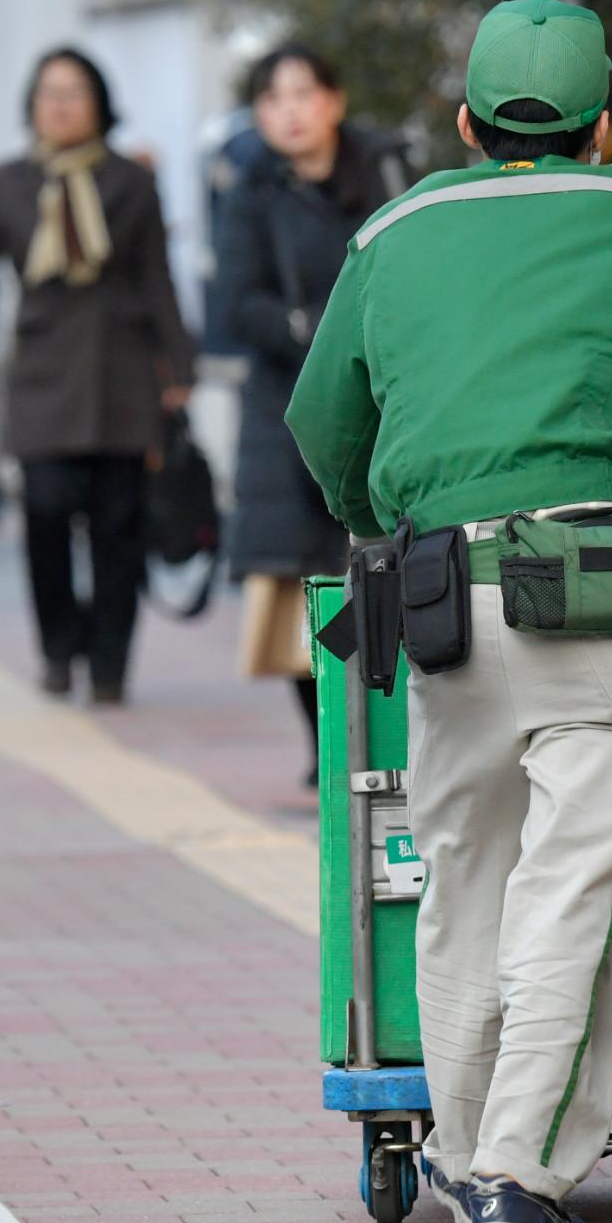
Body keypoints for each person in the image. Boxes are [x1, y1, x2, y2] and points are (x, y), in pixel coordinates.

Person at [287, 0, 612, 1223]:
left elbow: (323, 425)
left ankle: (459, 1146)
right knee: (565, 889)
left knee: (464, 886)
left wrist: (384, 517)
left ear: (463, 122)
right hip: (598, 593)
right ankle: (515, 1176)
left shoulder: (392, 231)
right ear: (603, 126)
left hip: (441, 603)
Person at [0, 48, 194, 706]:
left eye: (75, 93)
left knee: (119, 527)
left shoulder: (131, 182)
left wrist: (181, 364)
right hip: (41, 374)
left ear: (100, 105)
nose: (60, 105)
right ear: (31, 105)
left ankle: (110, 665)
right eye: (49, 93)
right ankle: (59, 643)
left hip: (123, 373)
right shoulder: (2, 184)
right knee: (46, 513)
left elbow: (156, 278)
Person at [214, 43, 409, 787]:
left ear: (335, 98)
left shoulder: (387, 171)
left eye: (303, 93)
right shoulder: (251, 189)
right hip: (290, 409)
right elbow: (233, 302)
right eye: (272, 99)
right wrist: (309, 331)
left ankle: (380, 726)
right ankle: (328, 736)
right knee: (308, 583)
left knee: (381, 568)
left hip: (386, 402)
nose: (289, 111)